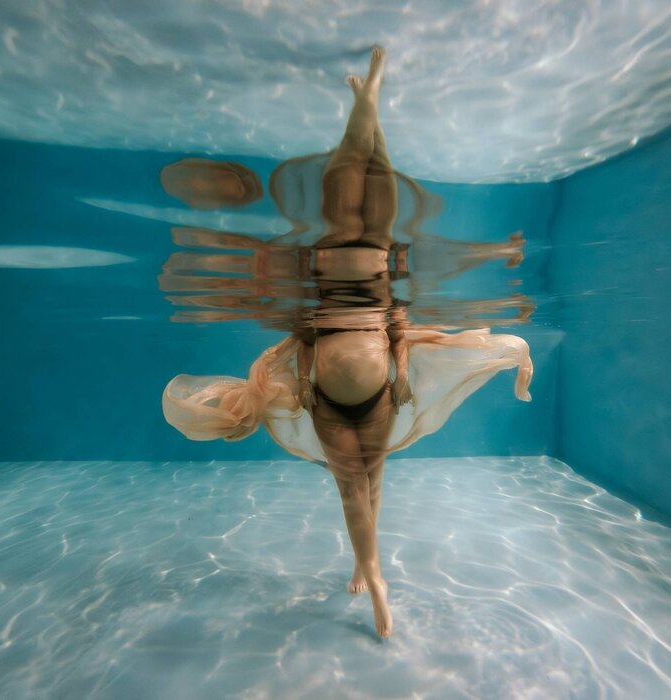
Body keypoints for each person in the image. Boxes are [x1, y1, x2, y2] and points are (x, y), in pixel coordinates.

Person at [162, 48, 534, 640]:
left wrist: (409, 366)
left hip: (380, 389)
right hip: (331, 403)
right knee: (352, 488)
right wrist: (307, 383)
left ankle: (370, 98)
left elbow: (400, 332)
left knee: (372, 481)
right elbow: (304, 339)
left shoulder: (359, 270)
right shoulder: (342, 284)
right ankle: (374, 574)